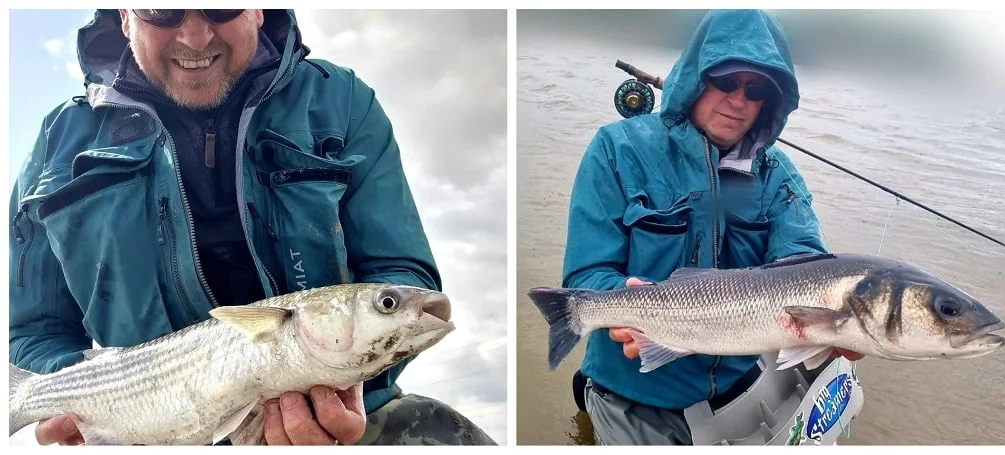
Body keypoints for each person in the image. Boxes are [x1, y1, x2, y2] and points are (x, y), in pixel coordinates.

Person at [9, 9, 493, 446]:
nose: (195, 36)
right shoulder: (57, 143)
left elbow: (403, 272)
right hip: (142, 433)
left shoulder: (342, 102)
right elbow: (37, 331)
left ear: (260, 8)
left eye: (223, 5)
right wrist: (77, 393)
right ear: (125, 14)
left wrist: (341, 386)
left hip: (348, 414)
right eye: (162, 9)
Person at [561, 9, 862, 445]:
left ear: (769, 102)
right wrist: (624, 307)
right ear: (695, 77)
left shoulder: (779, 177)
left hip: (738, 385)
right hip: (634, 392)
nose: (738, 100)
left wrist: (836, 327)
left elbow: (804, 264)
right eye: (725, 80)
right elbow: (586, 273)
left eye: (756, 88)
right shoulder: (616, 148)